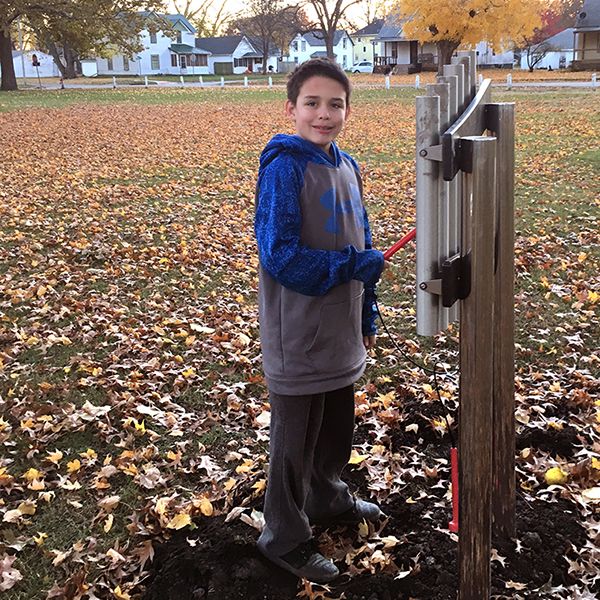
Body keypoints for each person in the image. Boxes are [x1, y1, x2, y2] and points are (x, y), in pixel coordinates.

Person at [254, 58, 387, 584]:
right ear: (291, 108)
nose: (324, 114)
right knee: (295, 440)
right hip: (298, 332)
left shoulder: (348, 166)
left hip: (340, 327)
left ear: (348, 111)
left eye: (335, 104)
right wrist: (350, 266)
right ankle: (282, 536)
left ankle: (327, 496)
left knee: (335, 426)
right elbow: (280, 254)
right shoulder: (285, 168)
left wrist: (367, 306)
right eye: (312, 103)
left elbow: (363, 241)